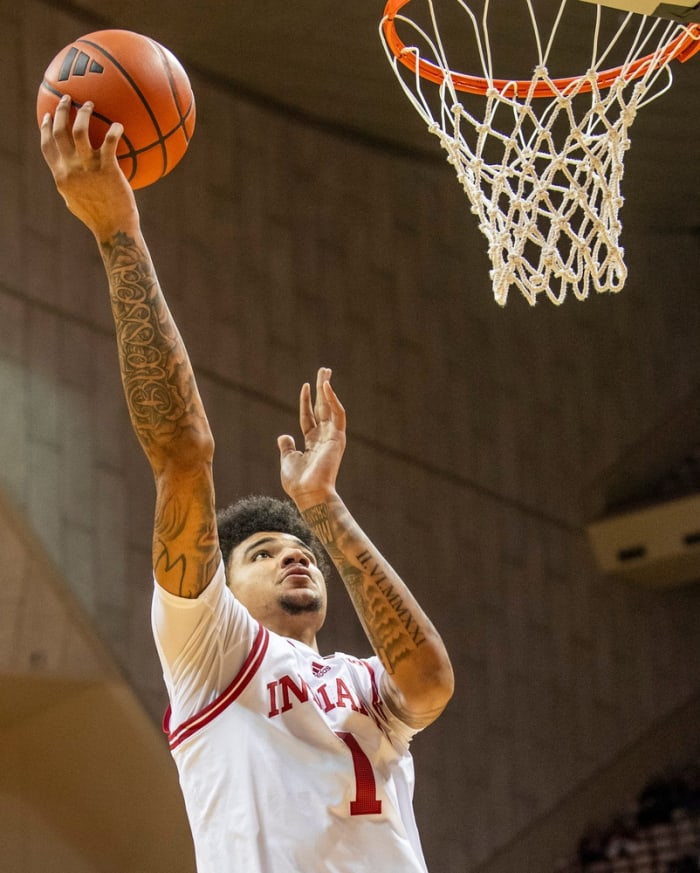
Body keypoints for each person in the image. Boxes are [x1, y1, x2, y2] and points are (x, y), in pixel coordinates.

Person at [40, 95, 454, 873]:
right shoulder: (213, 650)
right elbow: (183, 453)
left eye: (299, 551)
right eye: (264, 552)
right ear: (221, 586)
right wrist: (117, 234)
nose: (295, 557)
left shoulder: (366, 680)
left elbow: (430, 682)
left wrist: (322, 509)